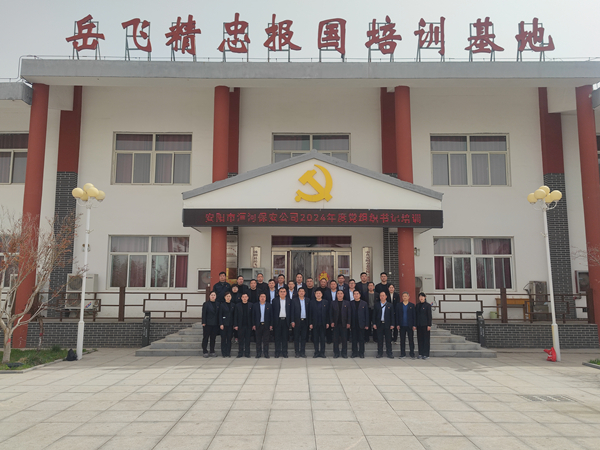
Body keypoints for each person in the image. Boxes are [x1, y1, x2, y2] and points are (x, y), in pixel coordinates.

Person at [330, 289, 351, 358]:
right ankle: (336, 353)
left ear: (343, 295)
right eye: (338, 293)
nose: (339, 295)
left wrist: (348, 322)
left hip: (344, 324)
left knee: (344, 339)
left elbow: (349, 314)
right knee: (335, 339)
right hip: (335, 324)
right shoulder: (333, 303)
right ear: (336, 295)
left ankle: (344, 353)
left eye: (341, 293)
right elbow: (330, 314)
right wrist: (331, 322)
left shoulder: (347, 303)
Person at [395, 292, 417, 359]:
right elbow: (397, 315)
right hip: (402, 325)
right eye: (403, 296)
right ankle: (402, 354)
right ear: (402, 297)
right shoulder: (398, 305)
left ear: (408, 297)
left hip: (409, 325)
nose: (404, 297)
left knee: (411, 340)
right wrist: (397, 324)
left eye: (406, 296)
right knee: (402, 340)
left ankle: (412, 353)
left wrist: (414, 325)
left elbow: (414, 316)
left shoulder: (412, 305)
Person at [373, 291, 394, 358]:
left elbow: (392, 316)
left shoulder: (390, 305)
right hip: (379, 324)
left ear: (386, 296)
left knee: (388, 340)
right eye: (381, 296)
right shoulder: (376, 305)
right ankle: (380, 353)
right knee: (380, 340)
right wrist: (374, 323)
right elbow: (374, 315)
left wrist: (392, 324)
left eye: (383, 295)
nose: (382, 297)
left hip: (387, 324)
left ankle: (389, 353)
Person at [272, 287, 291, 358]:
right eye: (281, 291)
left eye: (284, 291)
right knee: (277, 338)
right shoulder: (274, 300)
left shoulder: (289, 300)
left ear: (286, 293)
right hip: (277, 321)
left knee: (285, 338)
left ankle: (284, 352)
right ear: (278, 293)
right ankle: (277, 352)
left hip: (286, 321)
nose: (282, 293)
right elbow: (272, 312)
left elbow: (291, 312)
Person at [309, 290, 329, 358]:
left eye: (319, 293)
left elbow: (327, 313)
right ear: (315, 295)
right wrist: (310, 323)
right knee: (316, 339)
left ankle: (322, 352)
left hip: (323, 323)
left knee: (323, 339)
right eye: (317, 293)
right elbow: (310, 313)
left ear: (322, 294)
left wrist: (327, 322)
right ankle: (316, 352)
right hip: (315, 323)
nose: (318, 294)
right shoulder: (312, 302)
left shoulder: (325, 302)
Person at [252, 293, 273, 358]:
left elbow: (271, 316)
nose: (262, 298)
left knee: (266, 340)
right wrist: (253, 324)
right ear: (259, 298)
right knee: (258, 340)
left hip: (266, 325)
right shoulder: (255, 305)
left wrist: (271, 325)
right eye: (261, 296)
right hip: (258, 325)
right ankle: (258, 353)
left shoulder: (269, 305)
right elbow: (253, 316)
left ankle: (266, 353)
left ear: (266, 298)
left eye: (264, 296)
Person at [350, 290, 369, 358]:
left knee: (361, 339)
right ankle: (354, 353)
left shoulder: (364, 303)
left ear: (360, 295)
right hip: (353, 324)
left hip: (361, 324)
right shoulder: (351, 303)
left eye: (357, 294)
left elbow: (366, 314)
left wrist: (367, 324)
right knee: (354, 339)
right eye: (354, 294)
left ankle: (361, 353)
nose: (356, 295)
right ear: (353, 295)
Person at [291, 287, 309, 358]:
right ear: (298, 293)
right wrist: (292, 321)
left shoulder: (308, 300)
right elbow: (292, 311)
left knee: (303, 338)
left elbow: (309, 312)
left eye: (302, 291)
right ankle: (297, 352)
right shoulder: (294, 300)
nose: (301, 292)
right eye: (300, 291)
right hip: (296, 321)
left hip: (305, 321)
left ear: (304, 293)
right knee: (296, 337)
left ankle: (302, 352)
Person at [234, 293, 253, 358]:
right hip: (240, 325)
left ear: (248, 298)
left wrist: (253, 324)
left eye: (246, 297)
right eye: (243, 297)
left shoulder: (251, 305)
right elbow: (235, 316)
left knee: (248, 340)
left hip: (248, 325)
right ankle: (240, 353)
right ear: (241, 298)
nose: (244, 298)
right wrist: (235, 325)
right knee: (240, 340)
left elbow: (253, 316)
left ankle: (247, 353)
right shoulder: (237, 305)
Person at [202, 291, 219, 357]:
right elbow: (204, 313)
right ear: (209, 296)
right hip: (207, 323)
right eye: (212, 295)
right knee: (206, 337)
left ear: (216, 296)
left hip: (215, 324)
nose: (213, 296)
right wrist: (203, 322)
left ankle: (212, 351)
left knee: (213, 338)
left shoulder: (218, 304)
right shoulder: (206, 304)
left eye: (214, 295)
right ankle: (205, 351)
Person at [415, 293, 432, 359]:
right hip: (419, 325)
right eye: (420, 296)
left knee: (426, 339)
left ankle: (426, 354)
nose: (421, 298)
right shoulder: (417, 305)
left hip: (425, 325)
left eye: (422, 296)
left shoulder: (427, 305)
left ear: (425, 297)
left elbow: (429, 316)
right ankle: (420, 353)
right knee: (420, 339)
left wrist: (429, 325)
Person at [219, 292, 234, 357]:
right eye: (227, 296)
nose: (228, 297)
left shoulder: (233, 305)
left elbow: (234, 315)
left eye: (229, 296)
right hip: (224, 324)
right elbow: (220, 315)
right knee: (223, 339)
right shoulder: (222, 305)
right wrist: (221, 324)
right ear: (225, 297)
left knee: (229, 339)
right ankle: (224, 353)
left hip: (231, 324)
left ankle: (228, 352)